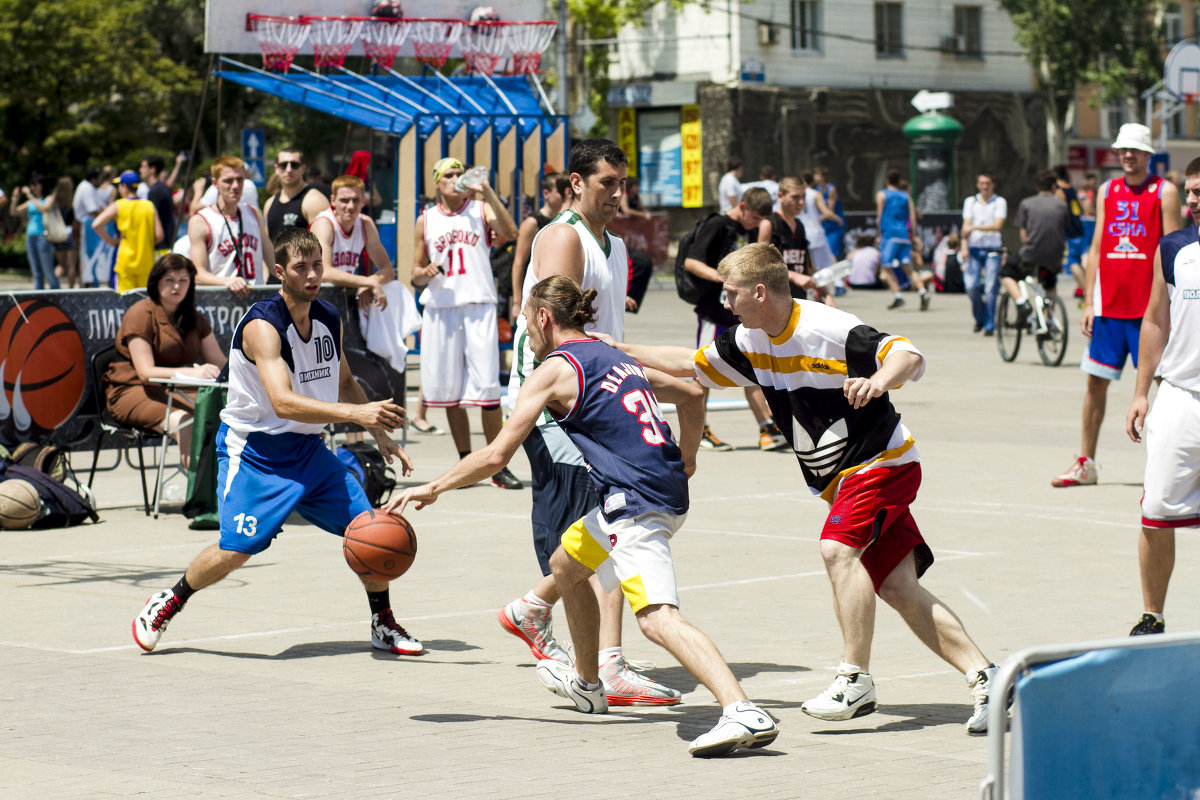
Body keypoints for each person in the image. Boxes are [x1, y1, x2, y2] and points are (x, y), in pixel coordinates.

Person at [613, 242, 1001, 733]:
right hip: (844, 481)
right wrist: (621, 350)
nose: (725, 304)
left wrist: (879, 380)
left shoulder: (826, 327)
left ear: (759, 292)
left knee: (837, 551)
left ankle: (854, 679)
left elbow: (906, 353)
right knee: (899, 588)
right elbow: (692, 364)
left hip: (883, 463)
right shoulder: (751, 339)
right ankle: (990, 678)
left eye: (730, 295)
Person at [387, 275, 780, 757]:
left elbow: (495, 456)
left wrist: (433, 487)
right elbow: (692, 396)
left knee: (657, 620)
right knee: (566, 565)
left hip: (634, 503)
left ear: (544, 318)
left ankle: (742, 709)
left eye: (526, 322)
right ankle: (589, 684)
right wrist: (689, 458)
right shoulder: (613, 353)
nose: (524, 332)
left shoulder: (553, 369)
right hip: (656, 490)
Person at [131, 227, 421, 657]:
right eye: (301, 267)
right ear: (279, 272)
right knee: (237, 550)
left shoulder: (327, 317)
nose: (312, 275)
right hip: (255, 453)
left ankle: (383, 622)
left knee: (369, 529)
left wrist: (378, 435)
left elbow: (341, 380)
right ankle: (169, 601)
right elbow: (283, 403)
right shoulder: (263, 327)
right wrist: (359, 415)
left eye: (317, 265)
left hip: (308, 452)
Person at [504, 139, 680, 706]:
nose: (618, 192)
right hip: (561, 408)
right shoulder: (563, 236)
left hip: (596, 406)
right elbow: (550, 330)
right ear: (576, 183)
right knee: (583, 536)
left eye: (622, 182)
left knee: (606, 531)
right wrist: (557, 406)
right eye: (607, 182)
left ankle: (600, 663)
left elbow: (603, 337)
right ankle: (575, 645)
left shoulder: (616, 246)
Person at [1053, 123, 1181, 487]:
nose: (1127, 155)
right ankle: (1085, 463)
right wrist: (1089, 302)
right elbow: (1095, 248)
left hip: (1150, 312)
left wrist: (1172, 306)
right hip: (1108, 308)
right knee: (1095, 385)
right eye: (1123, 149)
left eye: (1135, 150)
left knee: (1166, 388)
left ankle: (1172, 468)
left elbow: (1174, 251)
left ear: (1147, 154)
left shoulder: (1165, 191)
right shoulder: (1108, 190)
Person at [411, 157, 521, 489]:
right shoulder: (426, 219)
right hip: (442, 308)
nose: (456, 179)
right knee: (450, 392)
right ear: (437, 183)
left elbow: (511, 232)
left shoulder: (479, 208)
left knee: (487, 388)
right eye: (449, 174)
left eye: (460, 173)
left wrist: (485, 190)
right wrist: (424, 272)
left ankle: (497, 464)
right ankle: (465, 462)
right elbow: (414, 273)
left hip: (478, 305)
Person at [1125, 156, 1200, 636]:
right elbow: (1155, 320)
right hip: (1180, 396)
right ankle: (1152, 616)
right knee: (1156, 512)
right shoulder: (1174, 248)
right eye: (1190, 192)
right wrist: (1140, 393)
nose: (1191, 201)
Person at [683, 185, 788, 452]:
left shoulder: (750, 229)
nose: (755, 224)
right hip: (713, 311)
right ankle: (701, 429)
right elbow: (691, 262)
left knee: (752, 364)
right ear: (742, 207)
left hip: (739, 312)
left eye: (759, 221)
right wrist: (723, 278)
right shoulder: (718, 224)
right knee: (702, 368)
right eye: (753, 218)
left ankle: (766, 427)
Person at [105, 254, 227, 463]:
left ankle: (227, 484)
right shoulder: (141, 313)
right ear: (156, 282)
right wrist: (193, 372)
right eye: (169, 280)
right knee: (185, 422)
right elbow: (145, 372)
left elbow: (222, 364)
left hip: (176, 388)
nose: (176, 286)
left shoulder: (194, 317)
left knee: (224, 413)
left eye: (183, 280)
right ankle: (198, 493)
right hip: (132, 389)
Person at [190, 156, 274, 298]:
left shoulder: (253, 213)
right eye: (228, 181)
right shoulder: (201, 220)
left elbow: (273, 261)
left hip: (255, 302)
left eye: (240, 180)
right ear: (215, 183)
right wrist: (227, 282)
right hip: (222, 304)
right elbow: (197, 274)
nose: (235, 186)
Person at [309, 174, 393, 309]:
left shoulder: (366, 224)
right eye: (344, 200)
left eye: (355, 200)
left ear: (363, 201)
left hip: (343, 297)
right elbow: (324, 272)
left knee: (395, 288)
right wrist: (366, 282)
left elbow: (388, 270)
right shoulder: (324, 224)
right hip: (316, 299)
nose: (350, 206)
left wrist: (368, 284)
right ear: (333, 201)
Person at [1000, 168, 1068, 325]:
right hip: (1055, 256)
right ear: (1053, 187)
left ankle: (1020, 302)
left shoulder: (1026, 204)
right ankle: (1049, 319)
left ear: (1037, 187)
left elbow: (1024, 237)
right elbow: (1064, 229)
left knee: (1006, 272)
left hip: (1031, 254)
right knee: (1050, 283)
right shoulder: (1062, 206)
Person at [510, 172, 568, 323]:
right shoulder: (532, 223)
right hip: (533, 293)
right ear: (546, 193)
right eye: (559, 191)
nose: (565, 195)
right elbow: (518, 263)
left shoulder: (565, 221)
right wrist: (517, 303)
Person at [93, 171, 162, 292]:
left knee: (125, 301)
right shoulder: (149, 206)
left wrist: (112, 241)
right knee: (145, 302)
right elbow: (159, 235)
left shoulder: (118, 205)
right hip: (146, 262)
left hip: (125, 261)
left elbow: (96, 224)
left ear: (124, 186)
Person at [876, 169, 930, 311]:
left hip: (889, 235)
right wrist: (914, 236)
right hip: (904, 235)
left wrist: (879, 234)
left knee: (886, 267)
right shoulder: (906, 196)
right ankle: (922, 292)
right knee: (908, 267)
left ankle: (898, 296)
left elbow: (879, 215)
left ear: (887, 181)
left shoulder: (882, 194)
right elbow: (912, 218)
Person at [961, 172, 1007, 335]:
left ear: (993, 185)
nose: (985, 187)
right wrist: (964, 246)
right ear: (978, 185)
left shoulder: (999, 202)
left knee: (990, 288)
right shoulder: (970, 202)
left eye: (987, 183)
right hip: (974, 249)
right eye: (981, 183)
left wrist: (974, 228)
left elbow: (997, 225)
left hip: (992, 249)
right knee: (971, 286)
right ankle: (979, 317)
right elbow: (965, 227)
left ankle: (989, 323)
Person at [756, 175, 814, 299]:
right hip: (775, 298)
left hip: (799, 297)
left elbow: (808, 266)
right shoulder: (769, 224)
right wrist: (793, 276)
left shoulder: (799, 226)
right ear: (780, 196)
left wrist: (826, 293)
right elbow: (760, 266)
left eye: (803, 197)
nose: (801, 202)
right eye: (795, 197)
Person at [263, 146, 331, 241]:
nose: (289, 169)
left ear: (303, 168)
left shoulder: (314, 200)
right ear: (276, 168)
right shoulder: (269, 203)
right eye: (283, 165)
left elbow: (323, 246)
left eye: (294, 165)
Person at [15, 176, 59, 290]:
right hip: (30, 236)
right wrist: (15, 198)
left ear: (42, 185)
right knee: (37, 273)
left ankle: (57, 297)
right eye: (32, 185)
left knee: (48, 271)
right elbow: (14, 212)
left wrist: (29, 195)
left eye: (35, 184)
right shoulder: (30, 202)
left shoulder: (49, 198)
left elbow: (44, 209)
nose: (32, 187)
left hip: (43, 236)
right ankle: (39, 299)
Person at [1053, 164, 1087, 298]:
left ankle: (1085, 289)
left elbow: (1059, 212)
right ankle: (1085, 287)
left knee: (1072, 262)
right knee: (1079, 259)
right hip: (1079, 227)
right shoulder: (1071, 189)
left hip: (1069, 231)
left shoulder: (1060, 191)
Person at [74, 167, 111, 287]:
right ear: (94, 179)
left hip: (87, 226)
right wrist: (109, 215)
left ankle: (88, 283)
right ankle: (87, 285)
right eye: (99, 178)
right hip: (85, 227)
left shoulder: (89, 187)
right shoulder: (87, 188)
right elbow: (93, 210)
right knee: (87, 258)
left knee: (88, 259)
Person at [799, 171, 841, 272]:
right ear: (812, 181)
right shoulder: (815, 194)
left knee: (807, 266)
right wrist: (837, 218)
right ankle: (838, 284)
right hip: (816, 234)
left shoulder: (796, 195)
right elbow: (826, 212)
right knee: (827, 264)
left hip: (801, 233)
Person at [139, 154, 180, 253]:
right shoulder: (161, 188)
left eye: (143, 167)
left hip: (161, 248)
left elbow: (153, 221)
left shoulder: (156, 191)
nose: (140, 170)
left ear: (152, 170)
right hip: (166, 245)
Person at [51, 177, 79, 289]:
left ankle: (54, 285)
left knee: (61, 266)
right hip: (69, 234)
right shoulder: (71, 204)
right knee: (71, 266)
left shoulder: (55, 203)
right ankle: (71, 289)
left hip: (58, 234)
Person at [813, 166, 846, 259]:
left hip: (834, 225)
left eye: (817, 175)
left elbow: (830, 211)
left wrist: (817, 219)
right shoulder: (817, 189)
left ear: (823, 177)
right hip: (824, 226)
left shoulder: (831, 189)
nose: (815, 177)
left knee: (832, 254)